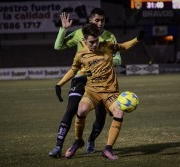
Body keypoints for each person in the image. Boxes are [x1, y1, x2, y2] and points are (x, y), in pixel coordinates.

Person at [61, 23, 144, 160]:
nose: (94, 44)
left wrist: (137, 39)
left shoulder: (108, 45)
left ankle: (108, 149)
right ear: (84, 41)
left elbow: (123, 47)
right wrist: (60, 84)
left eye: (96, 41)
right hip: (92, 91)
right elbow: (73, 70)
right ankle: (78, 141)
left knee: (119, 111)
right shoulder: (80, 54)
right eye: (91, 42)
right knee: (81, 110)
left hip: (110, 92)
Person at [49, 8, 122, 158]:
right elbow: (58, 46)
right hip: (81, 78)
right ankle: (58, 146)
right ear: (90, 21)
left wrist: (101, 62)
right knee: (72, 109)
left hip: (101, 81)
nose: (100, 23)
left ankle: (91, 140)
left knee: (100, 116)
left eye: (102, 20)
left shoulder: (110, 36)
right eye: (97, 20)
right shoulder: (79, 33)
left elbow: (118, 59)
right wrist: (63, 29)